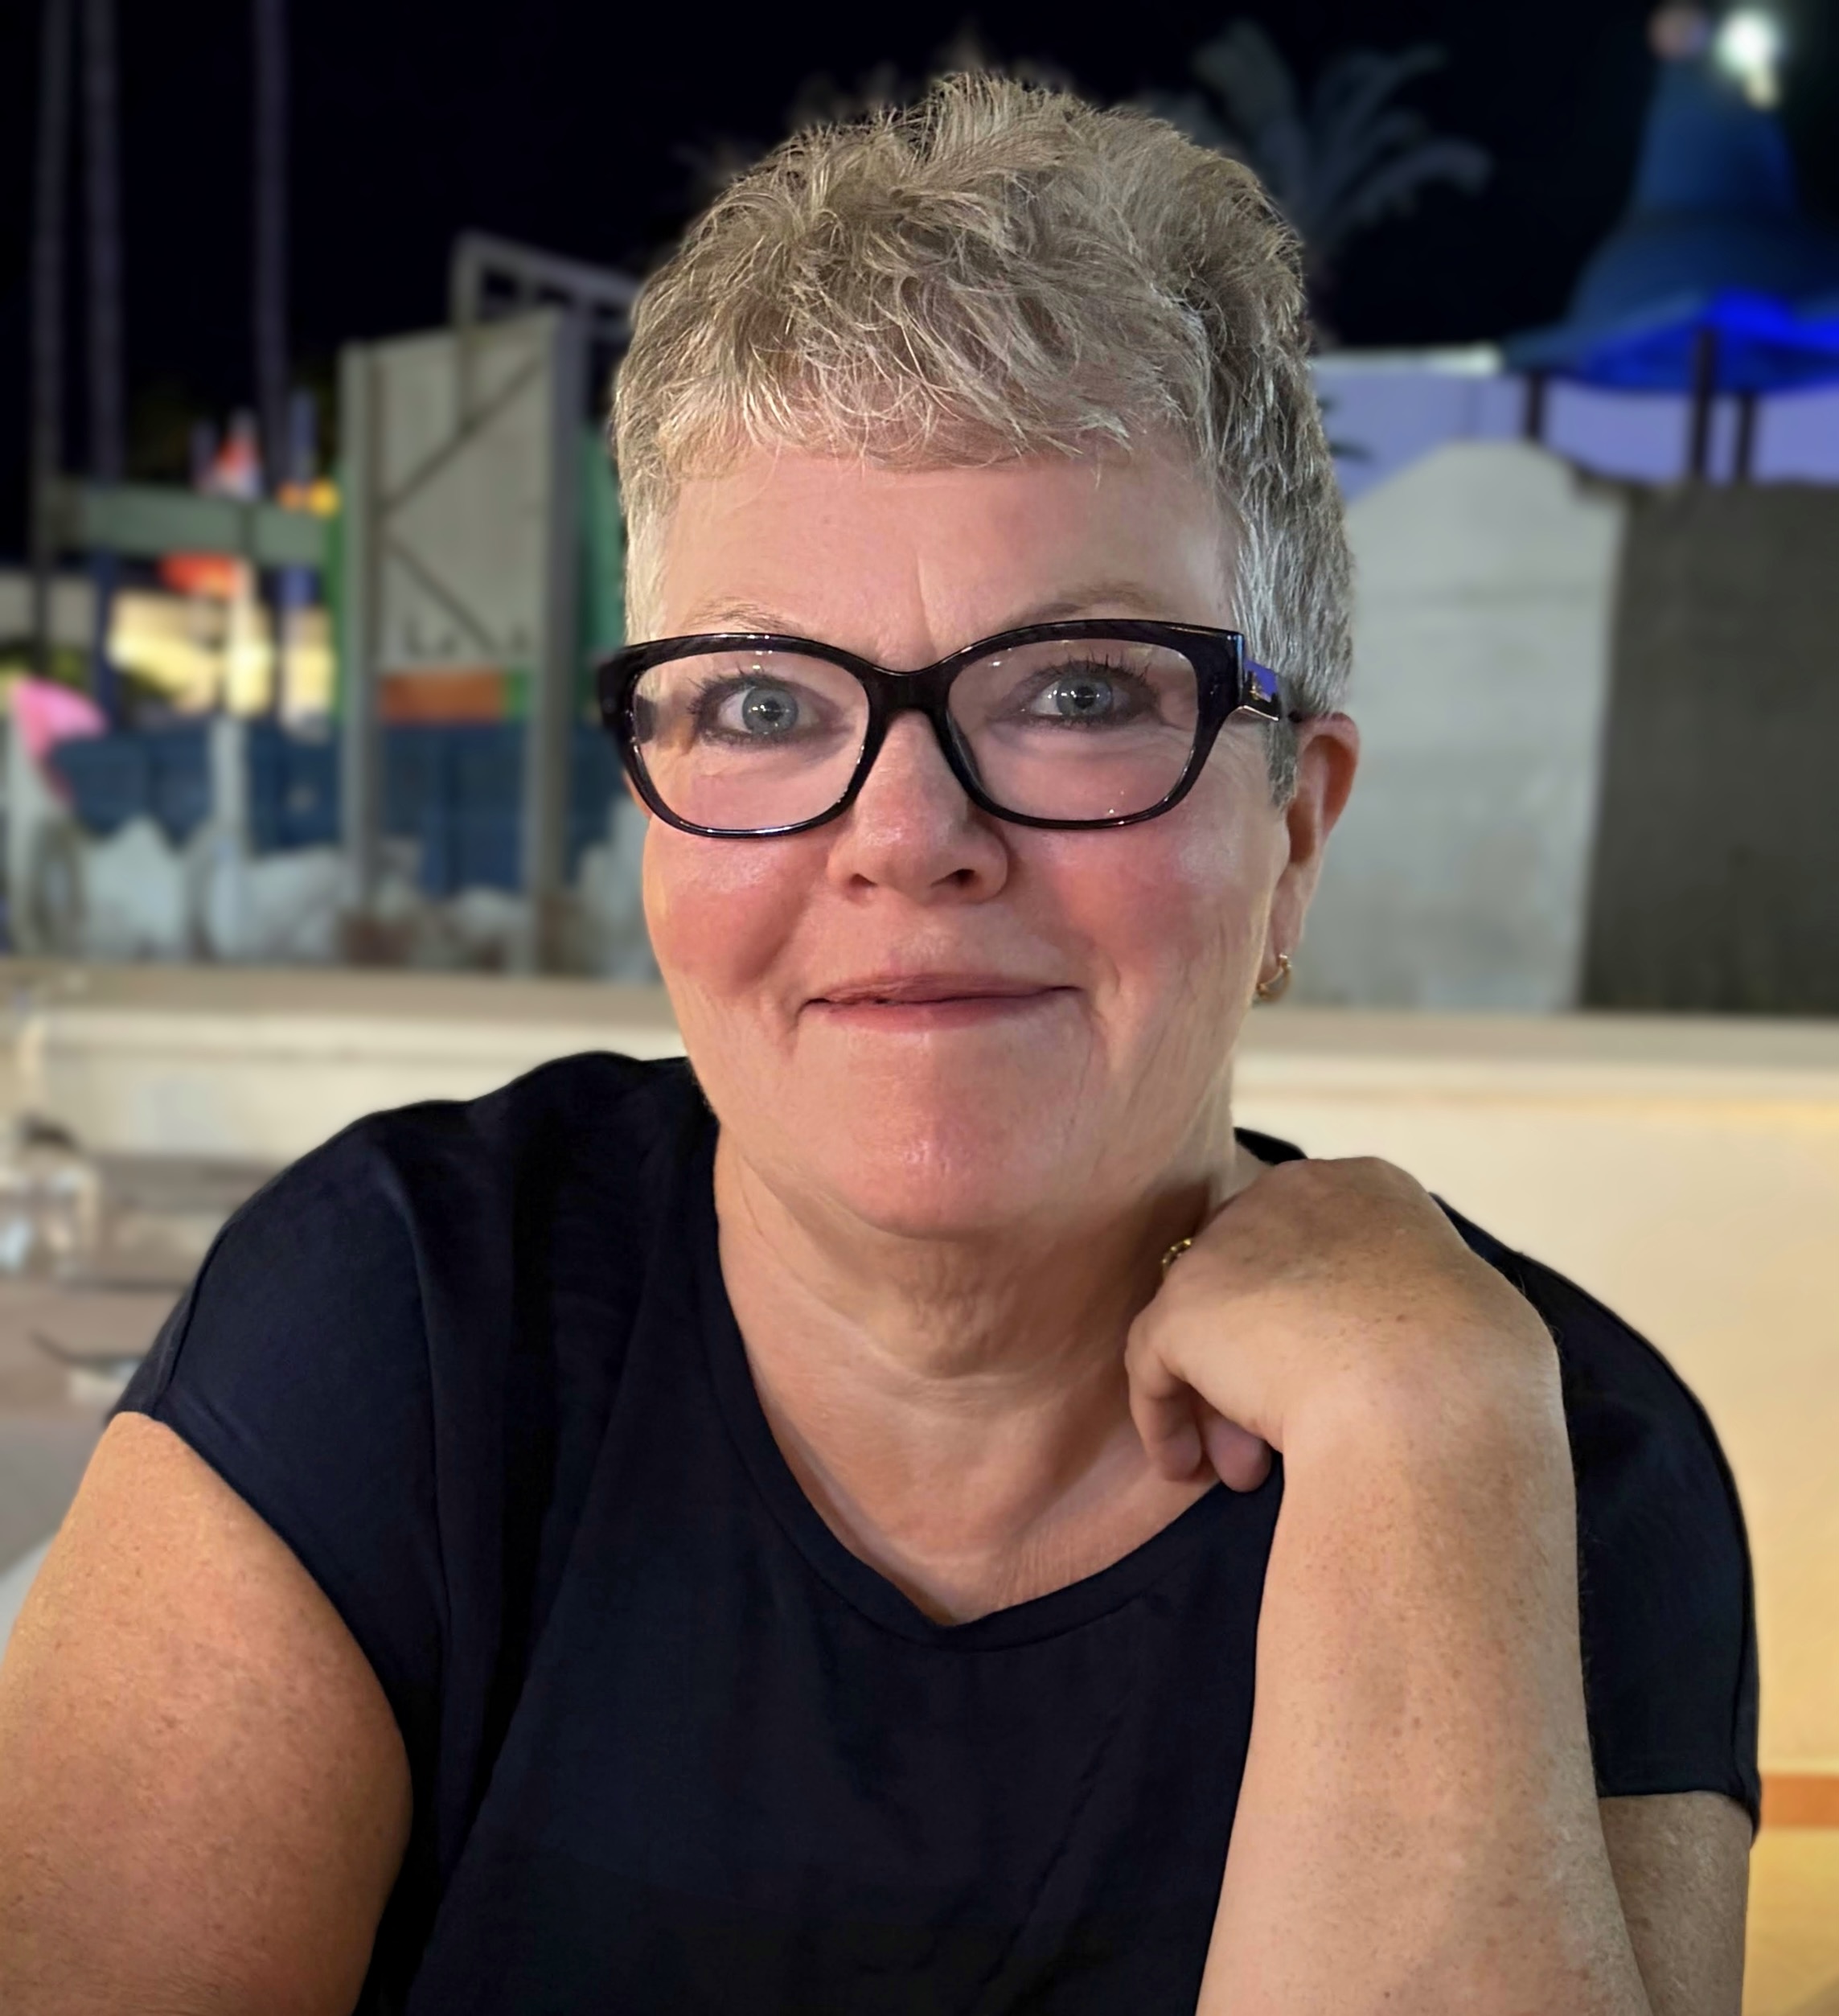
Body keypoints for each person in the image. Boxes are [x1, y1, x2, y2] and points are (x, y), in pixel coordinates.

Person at [0, 74, 1755, 2016]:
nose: (908, 837)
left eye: (1076, 692)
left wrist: (1423, 1442)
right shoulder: (396, 1318)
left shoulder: (1556, 1454)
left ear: (1295, 836)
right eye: (761, 705)